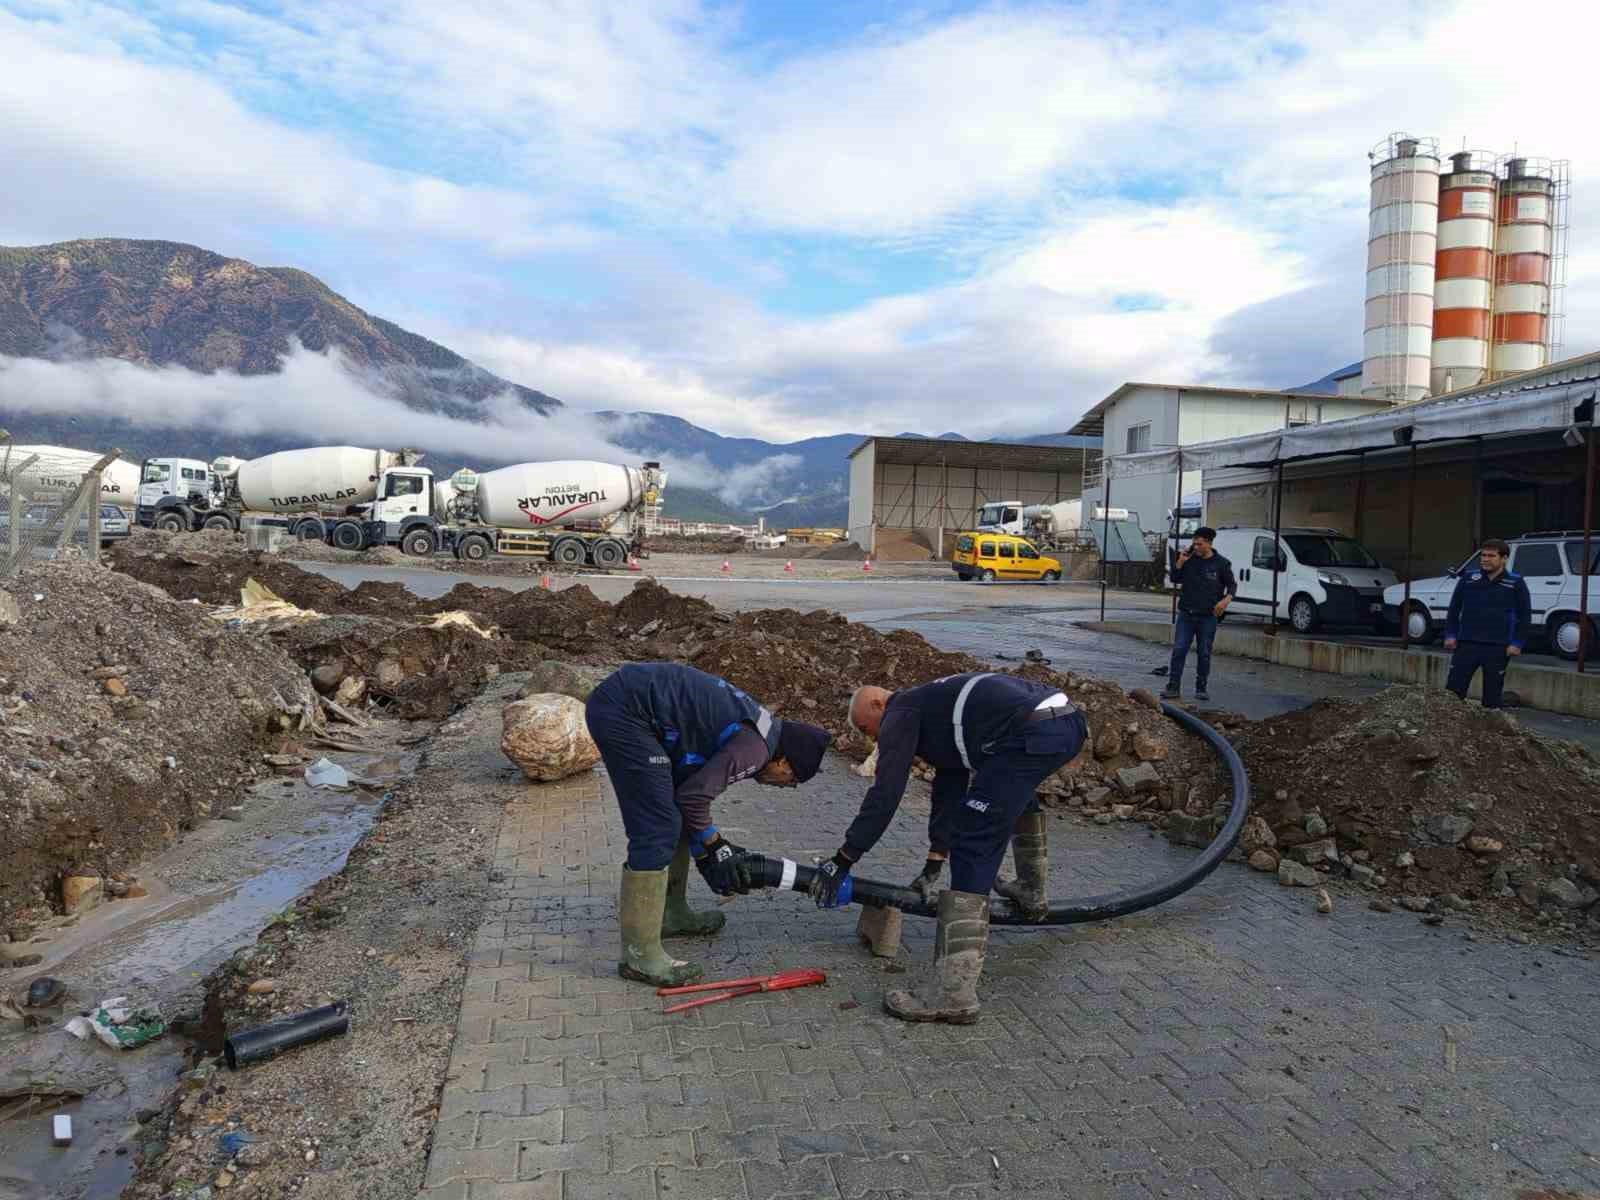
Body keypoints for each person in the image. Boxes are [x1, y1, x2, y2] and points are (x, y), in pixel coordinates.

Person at [811, 671, 1087, 1025]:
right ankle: (1032, 891)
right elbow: (949, 784)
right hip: (1064, 723)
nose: (875, 740)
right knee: (1006, 797)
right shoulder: (934, 707)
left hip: (1032, 730)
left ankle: (952, 993)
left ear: (879, 704)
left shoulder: (900, 712)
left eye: (868, 729)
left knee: (974, 835)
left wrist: (843, 859)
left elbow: (885, 795)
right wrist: (934, 862)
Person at [584, 663, 832, 987]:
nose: (784, 786)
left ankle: (670, 914)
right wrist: (716, 846)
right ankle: (639, 956)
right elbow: (693, 798)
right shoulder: (755, 750)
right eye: (791, 780)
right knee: (656, 829)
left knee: (670, 812)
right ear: (784, 761)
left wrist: (707, 853)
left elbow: (687, 793)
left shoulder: (763, 728)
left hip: (636, 706)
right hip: (626, 712)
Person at [1443, 538, 1531, 710]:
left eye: (1491, 556)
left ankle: (1489, 731)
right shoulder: (1469, 579)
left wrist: (1517, 643)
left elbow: (1524, 615)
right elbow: (1454, 609)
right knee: (1453, 692)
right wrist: (1451, 635)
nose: (1485, 559)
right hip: (1466, 643)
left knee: (1492, 696)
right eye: (1483, 555)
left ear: (1504, 558)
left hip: (1498, 646)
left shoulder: (1515, 582)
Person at [1162, 526, 1235, 703]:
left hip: (1208, 617)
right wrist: (1179, 563)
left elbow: (1232, 585)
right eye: (1194, 543)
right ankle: (1173, 686)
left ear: (1209, 543)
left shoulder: (1221, 563)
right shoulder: (1189, 559)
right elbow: (1174, 579)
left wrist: (1225, 601)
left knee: (1204, 652)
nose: (1196, 547)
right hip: (1186, 614)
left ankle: (1201, 688)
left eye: (1199, 544)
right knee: (1179, 649)